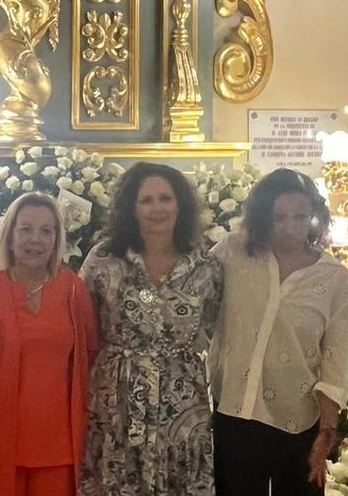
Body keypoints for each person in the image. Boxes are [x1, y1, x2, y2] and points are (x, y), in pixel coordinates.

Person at [210, 168, 348, 496]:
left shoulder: (335, 280)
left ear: (315, 218)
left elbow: (338, 359)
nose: (290, 227)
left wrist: (326, 433)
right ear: (262, 216)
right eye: (279, 217)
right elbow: (196, 299)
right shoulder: (232, 252)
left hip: (297, 418)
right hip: (234, 410)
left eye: (300, 216)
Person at [78, 162, 222, 496]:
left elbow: (211, 325)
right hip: (116, 398)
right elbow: (81, 323)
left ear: (180, 204)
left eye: (165, 198)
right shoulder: (104, 259)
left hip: (182, 397)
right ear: (131, 206)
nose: (157, 208)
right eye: (146, 200)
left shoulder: (205, 266)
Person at [0, 193, 98, 496]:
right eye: (26, 229)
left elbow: (90, 359)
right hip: (1, 436)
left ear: (56, 240)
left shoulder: (73, 289)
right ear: (10, 236)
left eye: (46, 231)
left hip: (60, 440)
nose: (35, 239)